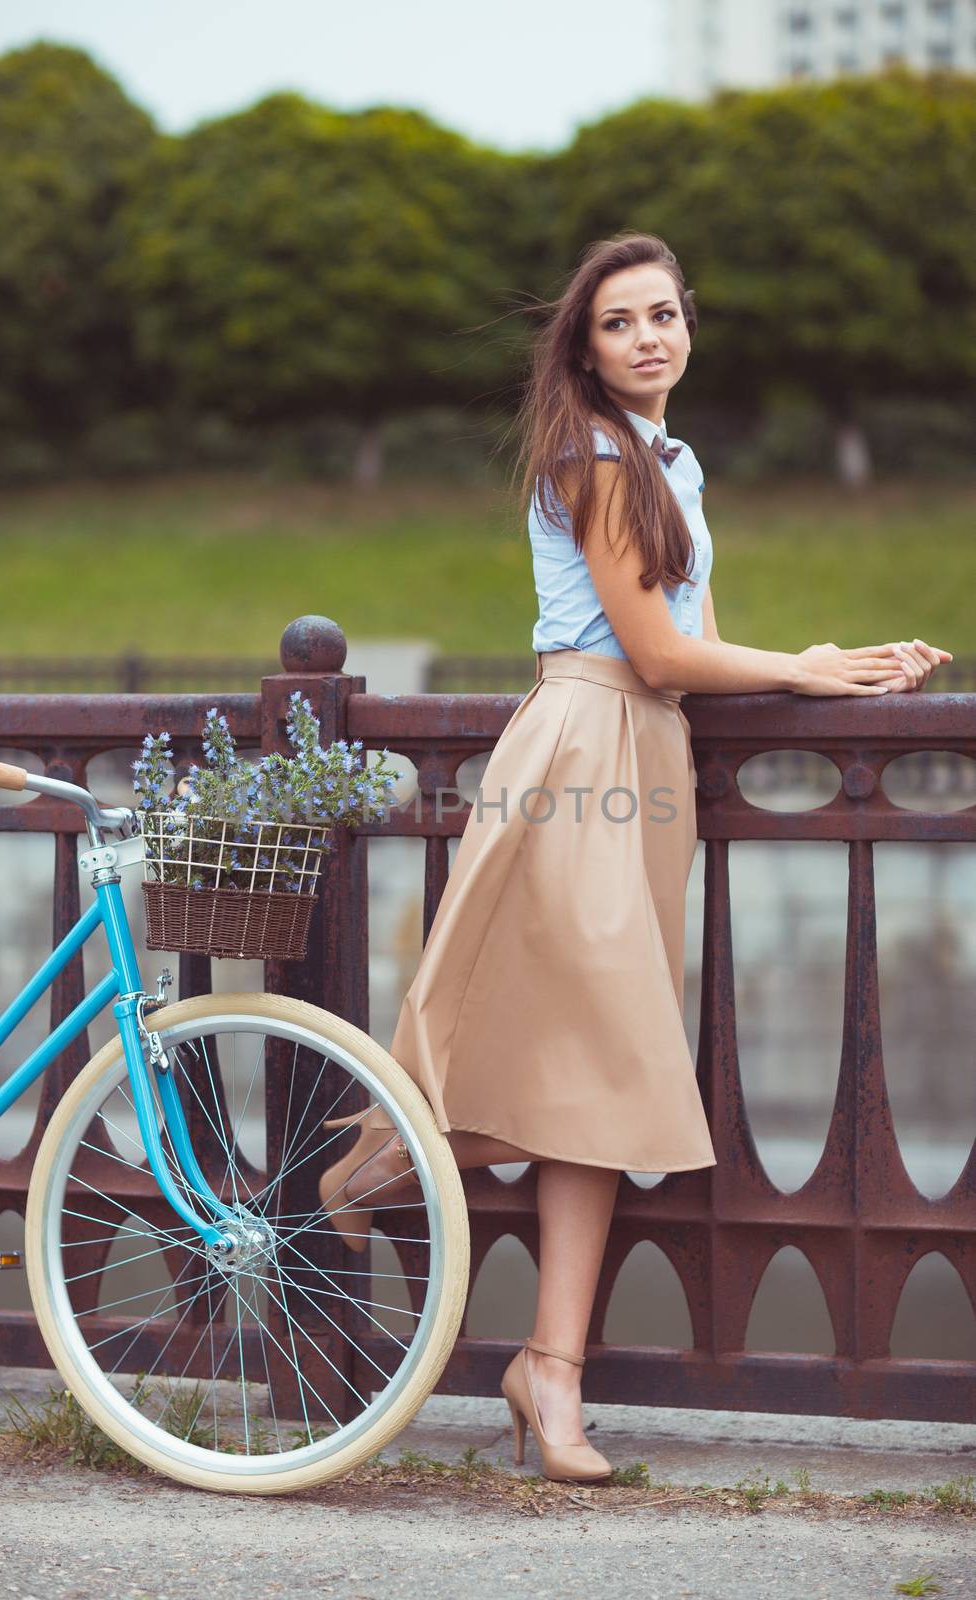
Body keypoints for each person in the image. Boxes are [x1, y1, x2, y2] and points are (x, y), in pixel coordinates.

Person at [319, 230, 952, 1482]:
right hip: (579, 745)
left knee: (595, 1070)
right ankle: (378, 1157)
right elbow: (654, 655)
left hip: (647, 757)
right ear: (586, 345)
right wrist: (797, 668)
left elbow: (698, 646)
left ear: (687, 327)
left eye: (664, 314)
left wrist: (842, 667)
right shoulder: (589, 457)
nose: (648, 336)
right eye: (620, 321)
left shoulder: (672, 461)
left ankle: (544, 1369)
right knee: (586, 1035)